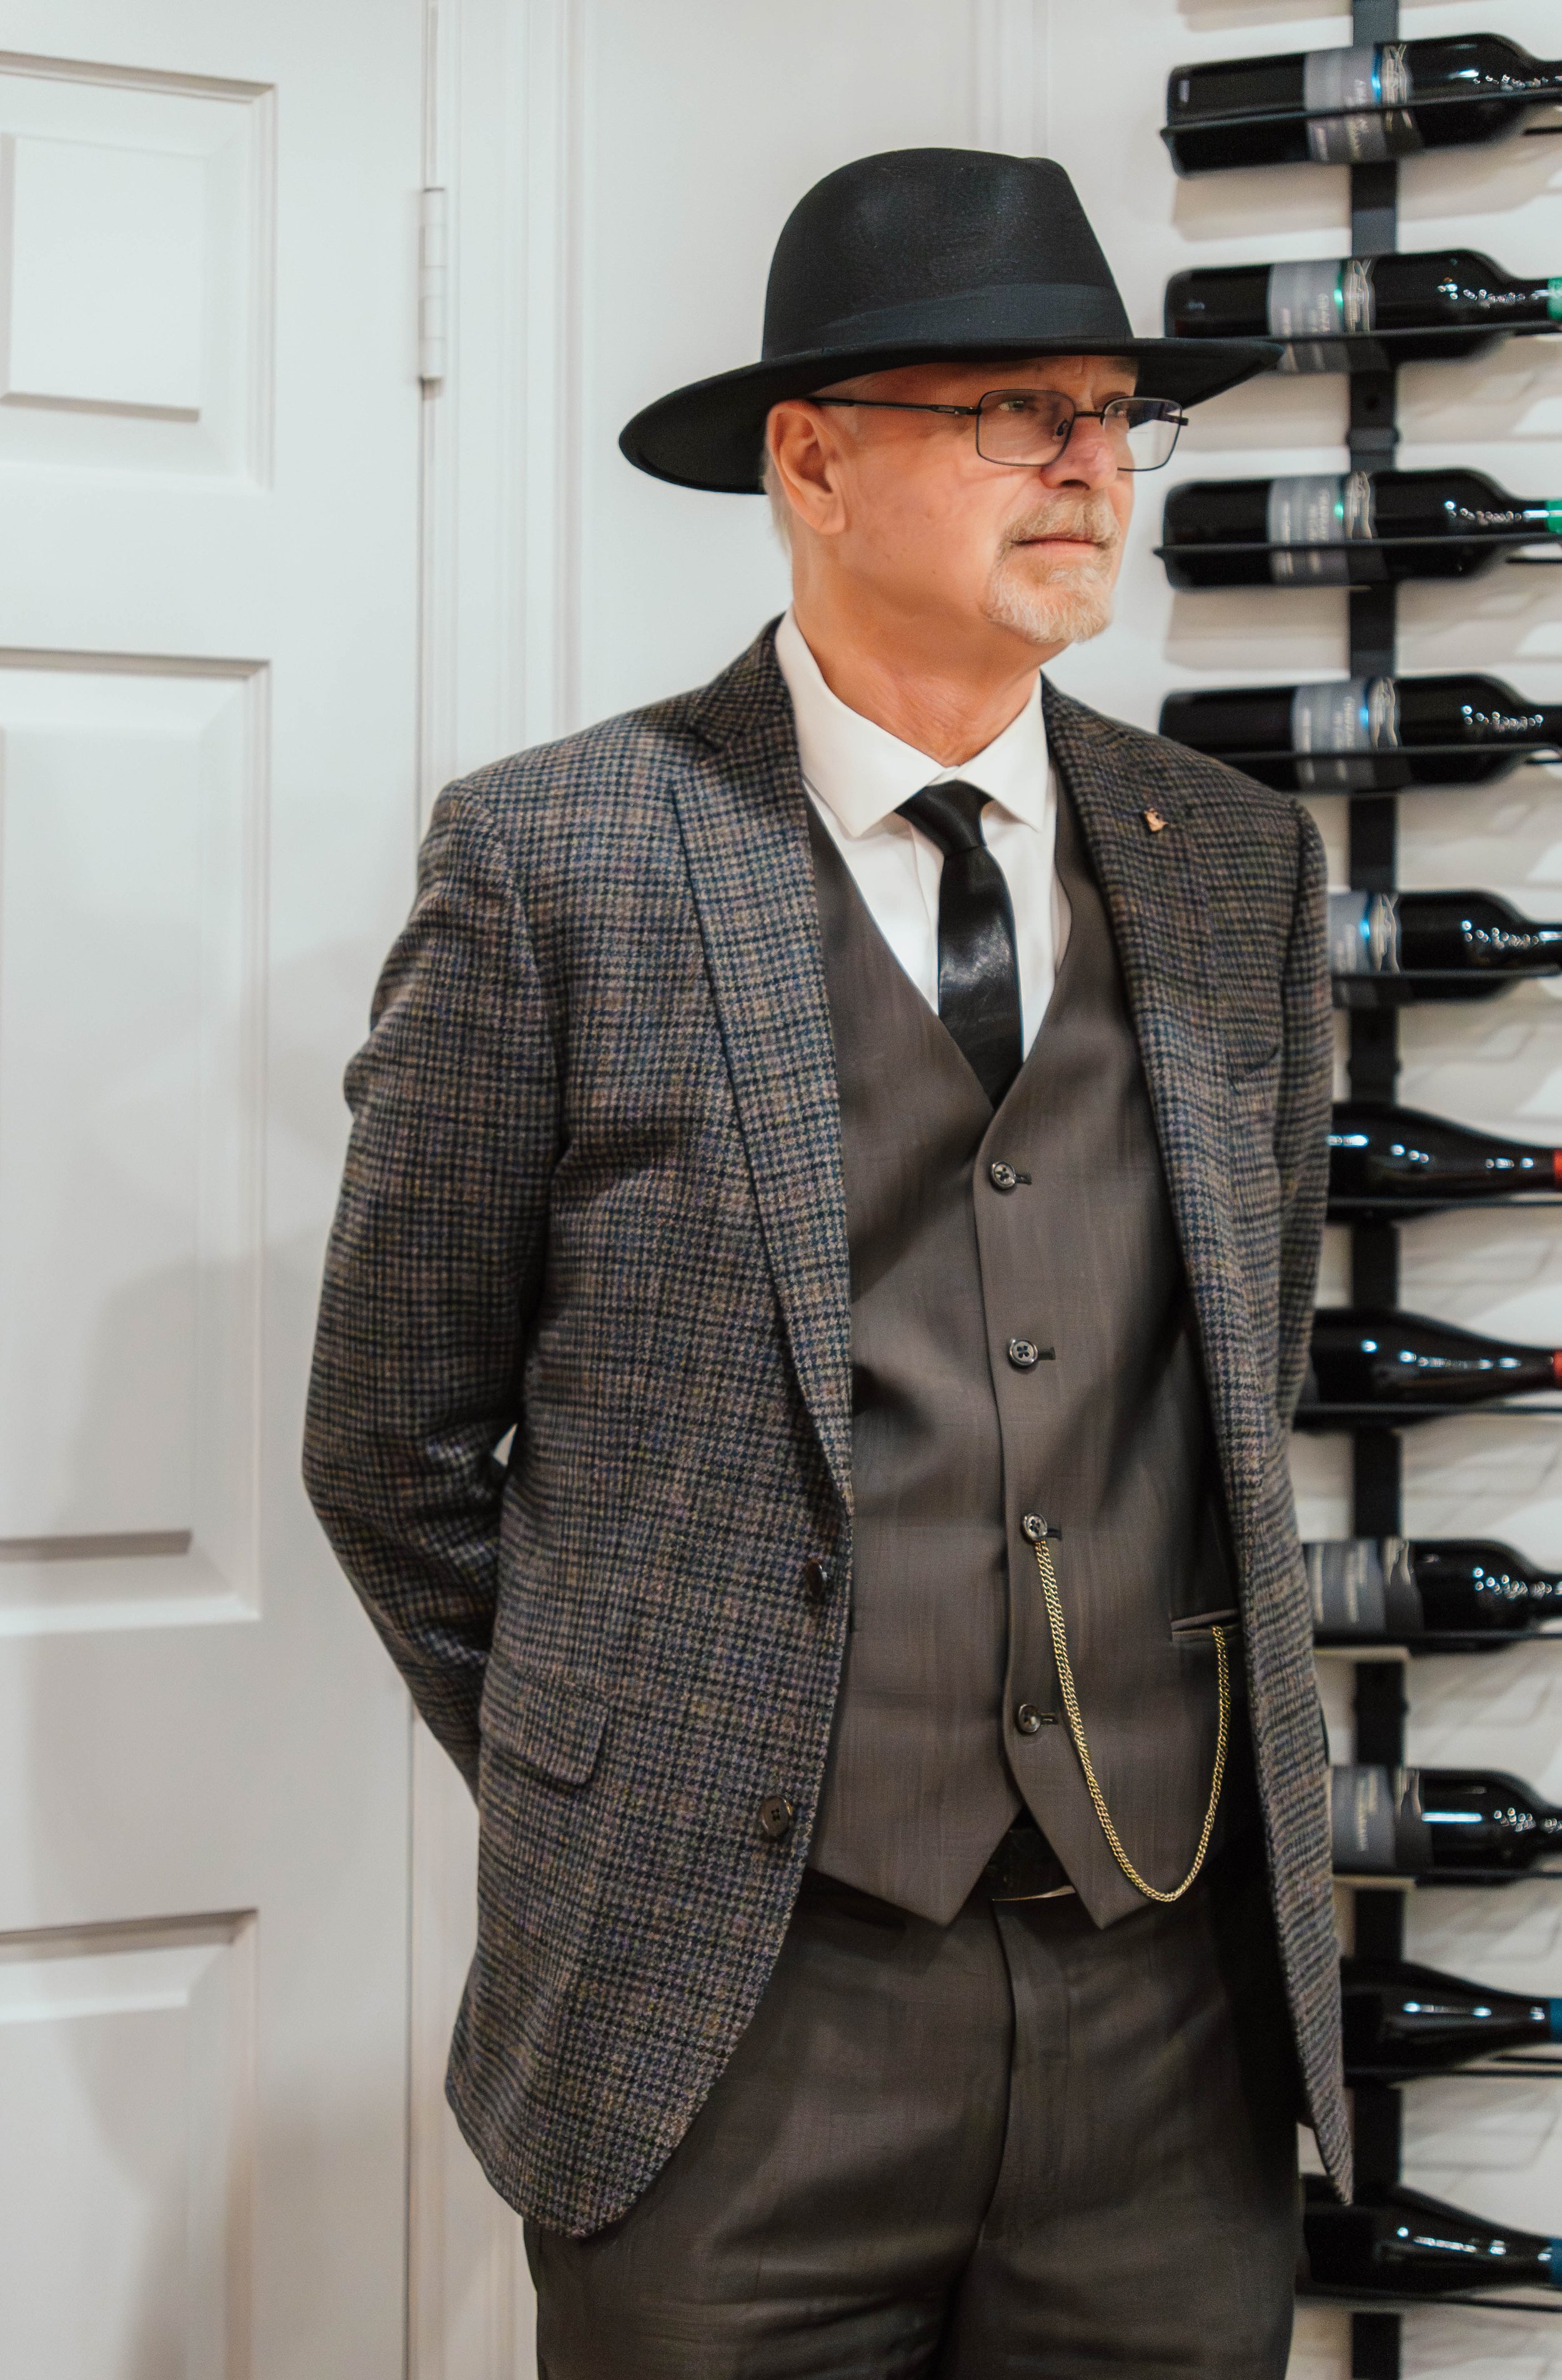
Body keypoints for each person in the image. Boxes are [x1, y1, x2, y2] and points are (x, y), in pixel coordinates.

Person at [304, 147, 1346, 2377]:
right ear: (810, 458)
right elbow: (387, 1437)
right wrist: (634, 1774)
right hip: (733, 2028)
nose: (1088, 465)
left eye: (1110, 414)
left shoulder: (1233, 865)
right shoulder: (558, 860)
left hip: (1163, 2016)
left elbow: (1226, 1372)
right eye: (1014, 412)